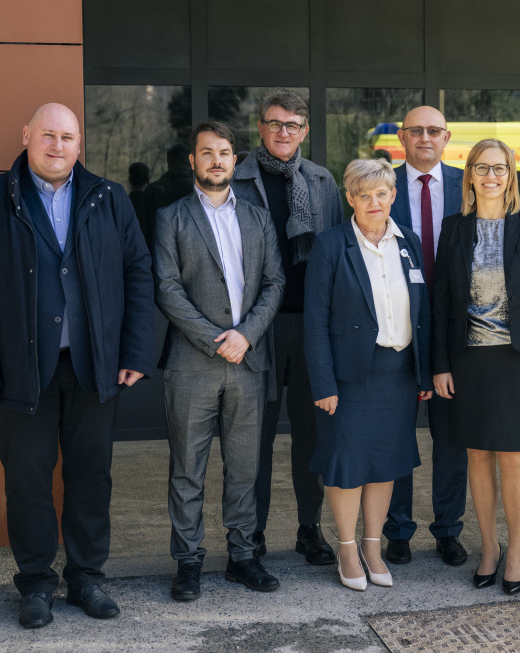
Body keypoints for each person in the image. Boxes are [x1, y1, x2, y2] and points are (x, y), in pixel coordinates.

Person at [0, 103, 155, 628]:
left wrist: (133, 353)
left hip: (94, 370)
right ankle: (36, 584)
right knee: (27, 481)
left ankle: (87, 578)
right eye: (48, 135)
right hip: (19, 373)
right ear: (26, 136)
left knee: (92, 478)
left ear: (80, 144)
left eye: (67, 136)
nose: (57, 145)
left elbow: (138, 275)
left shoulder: (109, 199)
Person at [154, 122, 285, 598]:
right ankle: (187, 562)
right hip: (192, 363)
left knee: (245, 466)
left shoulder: (257, 217)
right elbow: (167, 289)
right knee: (188, 468)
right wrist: (216, 339)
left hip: (249, 361)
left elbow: (275, 283)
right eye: (206, 152)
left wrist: (245, 335)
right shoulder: (171, 217)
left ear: (235, 160)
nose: (215, 160)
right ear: (192, 160)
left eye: (224, 152)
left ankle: (242, 556)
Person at [431, 139, 520, 595]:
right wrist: (440, 365)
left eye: (500, 168)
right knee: (477, 457)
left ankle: (517, 550)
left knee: (513, 458)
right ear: (469, 176)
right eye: (481, 168)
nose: (490, 176)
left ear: (511, 176)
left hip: (518, 360)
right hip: (468, 360)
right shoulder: (453, 229)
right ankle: (488, 547)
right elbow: (442, 302)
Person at [304, 158, 433, 591]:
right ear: (350, 199)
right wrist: (322, 383)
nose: (374, 202)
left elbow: (423, 313)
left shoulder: (408, 242)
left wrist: (424, 374)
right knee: (347, 465)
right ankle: (346, 548)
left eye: (381, 193)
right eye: (364, 194)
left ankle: (373, 546)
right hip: (349, 377)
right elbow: (315, 320)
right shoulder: (330, 244)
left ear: (393, 195)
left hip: (398, 375)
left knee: (384, 465)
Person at [232, 89, 343, 565]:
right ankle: (250, 534)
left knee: (311, 435)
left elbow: (339, 253)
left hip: (311, 327)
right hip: (256, 328)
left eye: (293, 125)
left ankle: (308, 528)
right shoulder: (236, 179)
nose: (283, 132)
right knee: (252, 438)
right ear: (260, 128)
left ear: (305, 131)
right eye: (275, 124)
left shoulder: (321, 181)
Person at [384, 105, 468, 567]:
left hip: (455, 330)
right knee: (398, 434)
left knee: (450, 438)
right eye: (415, 131)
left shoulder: (468, 184)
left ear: (446, 137)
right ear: (402, 137)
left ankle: (448, 530)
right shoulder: (384, 184)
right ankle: (397, 529)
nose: (424, 138)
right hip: (397, 326)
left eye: (433, 131)